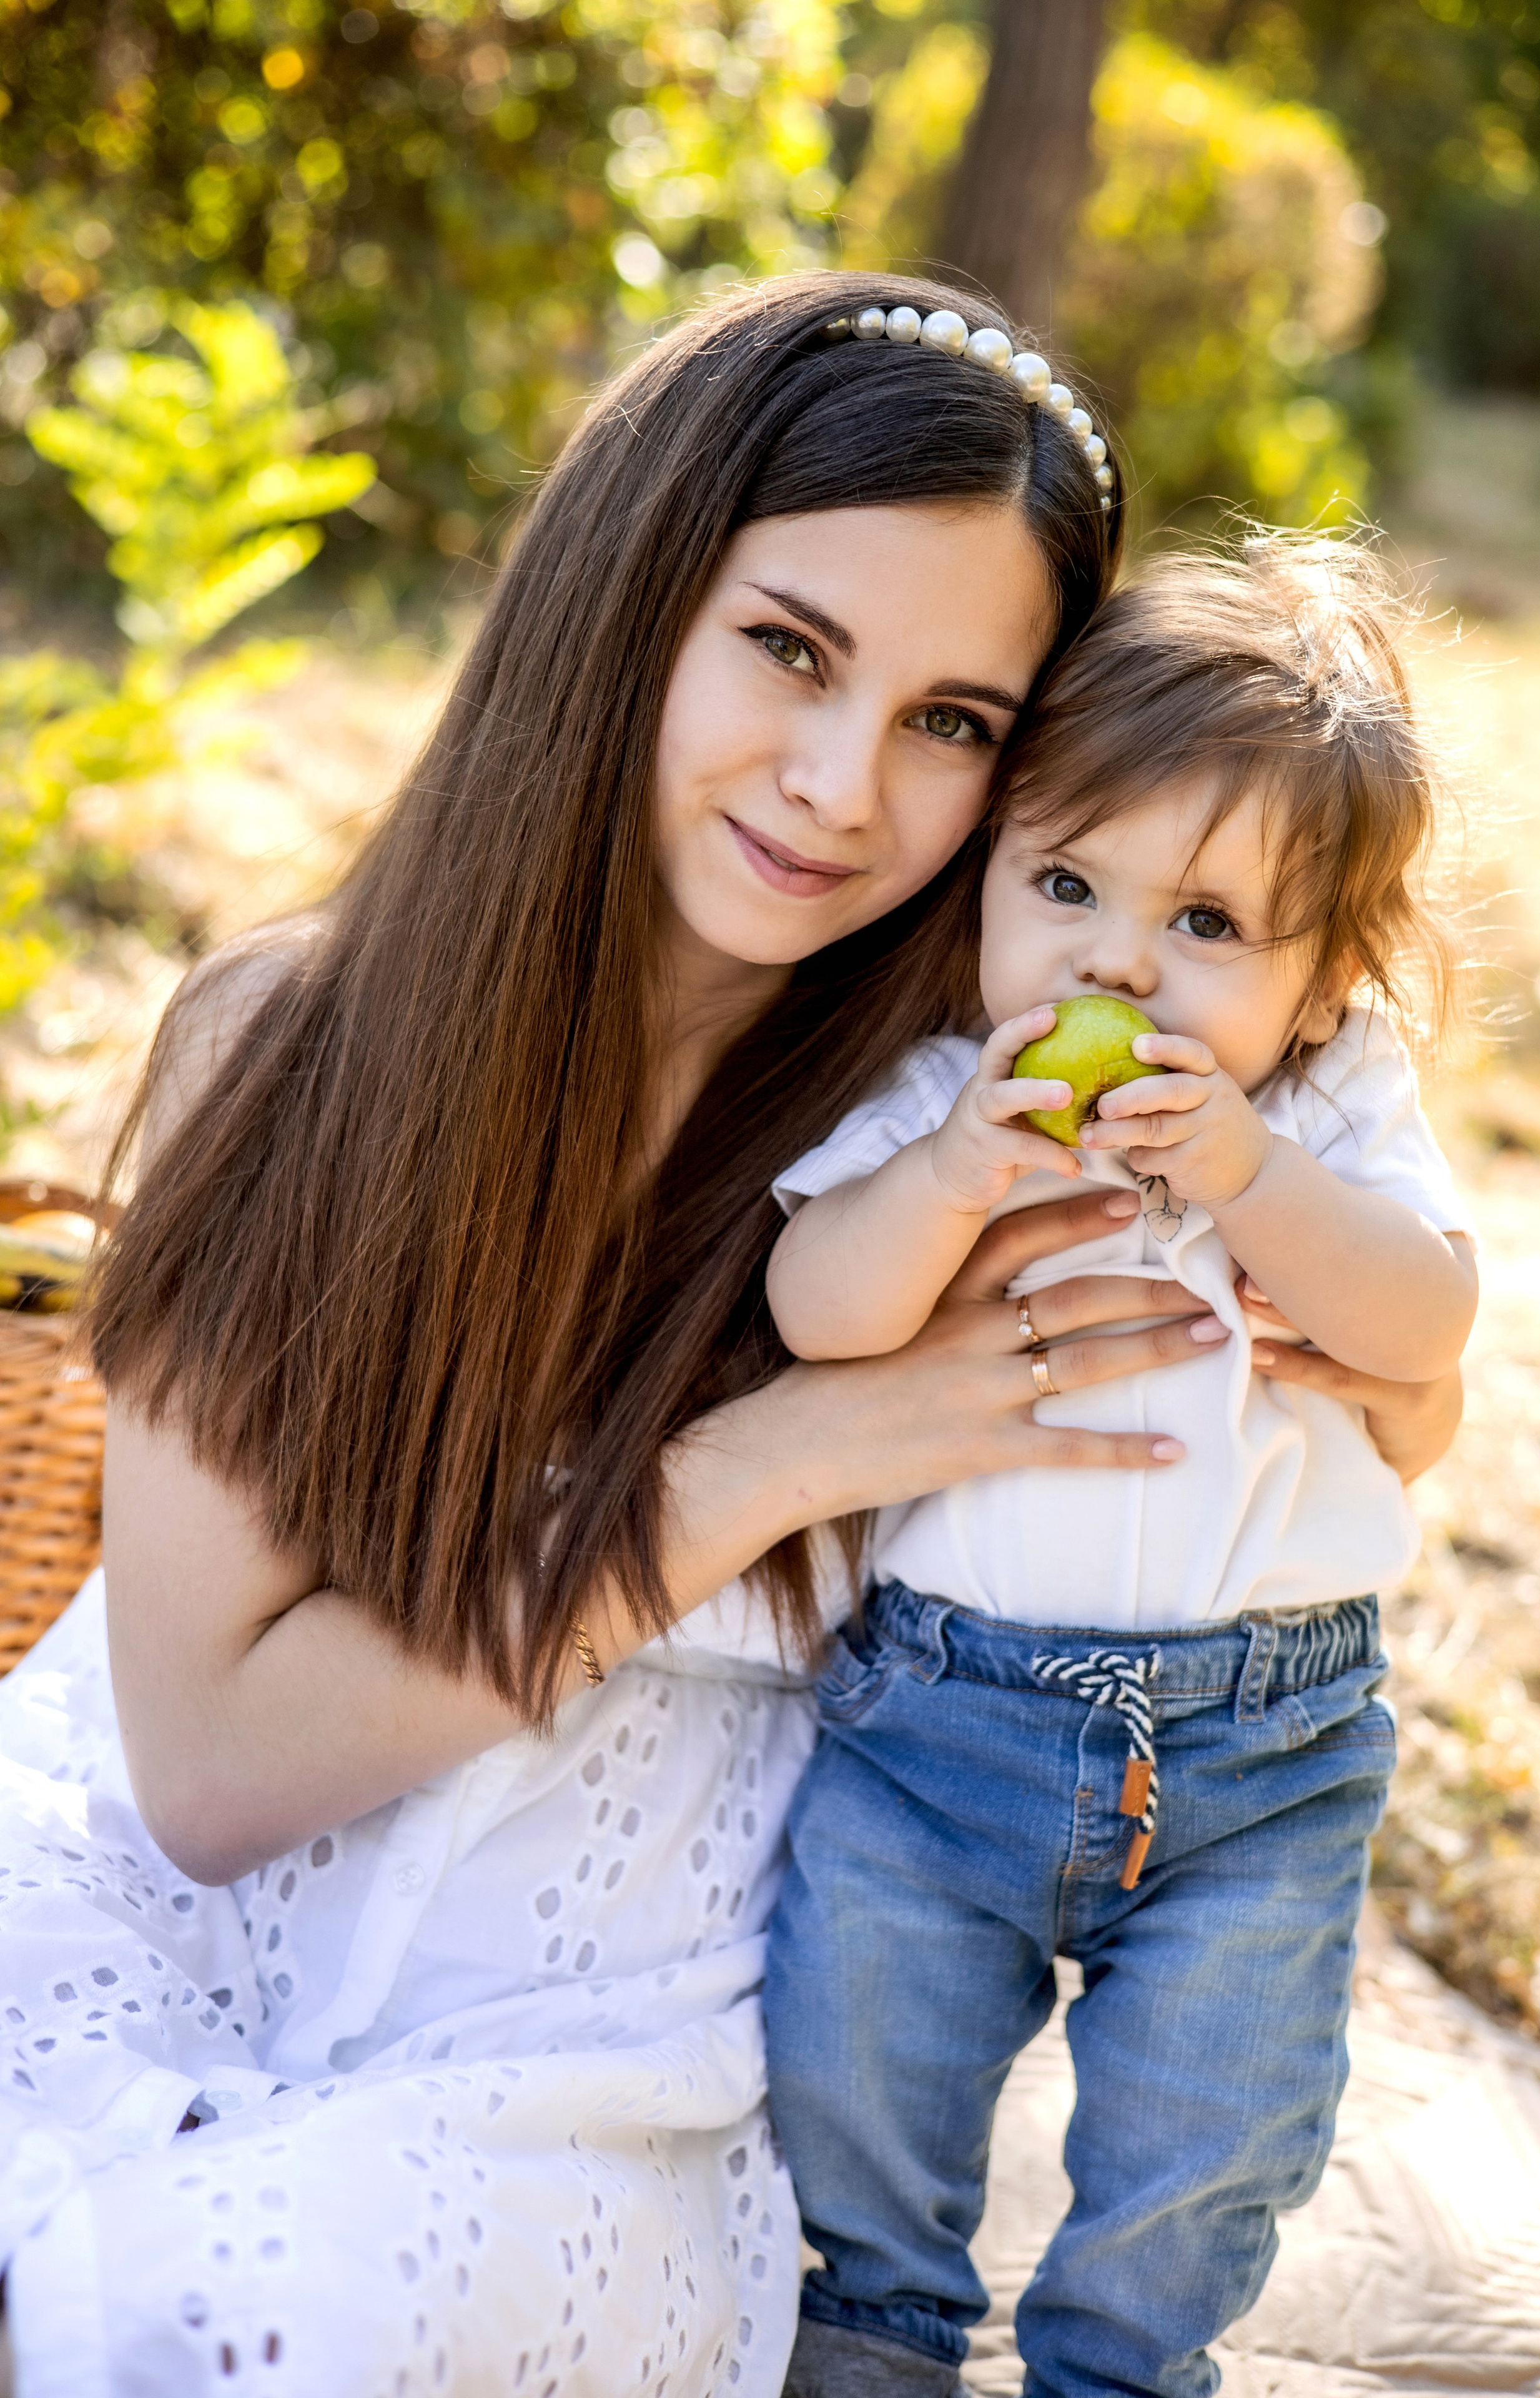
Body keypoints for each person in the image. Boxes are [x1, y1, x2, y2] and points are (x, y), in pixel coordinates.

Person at [0, 278, 1459, 2398]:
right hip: (189, 1894)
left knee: (299, 2319)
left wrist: (1377, 1352)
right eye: (789, 647)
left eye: (957, 723)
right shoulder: (295, 1048)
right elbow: (214, 1781)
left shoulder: (1001, 1080)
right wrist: (800, 1451)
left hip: (630, 1993)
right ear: (629, 593)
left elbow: (1398, 1398)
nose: (842, 787)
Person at [763, 535, 1477, 2398]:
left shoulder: (1325, 1114)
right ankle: (872, 2332)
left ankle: (1125, 2365)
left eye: (1211, 929)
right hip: (942, 1724)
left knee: (1217, 2128)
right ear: (990, 876)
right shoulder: (944, 1092)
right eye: (1067, 881)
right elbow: (819, 1309)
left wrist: (1252, 1178)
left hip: (1262, 1746)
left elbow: (1422, 1322)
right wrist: (956, 1178)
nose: (1116, 963)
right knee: (858, 2055)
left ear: (1323, 989)